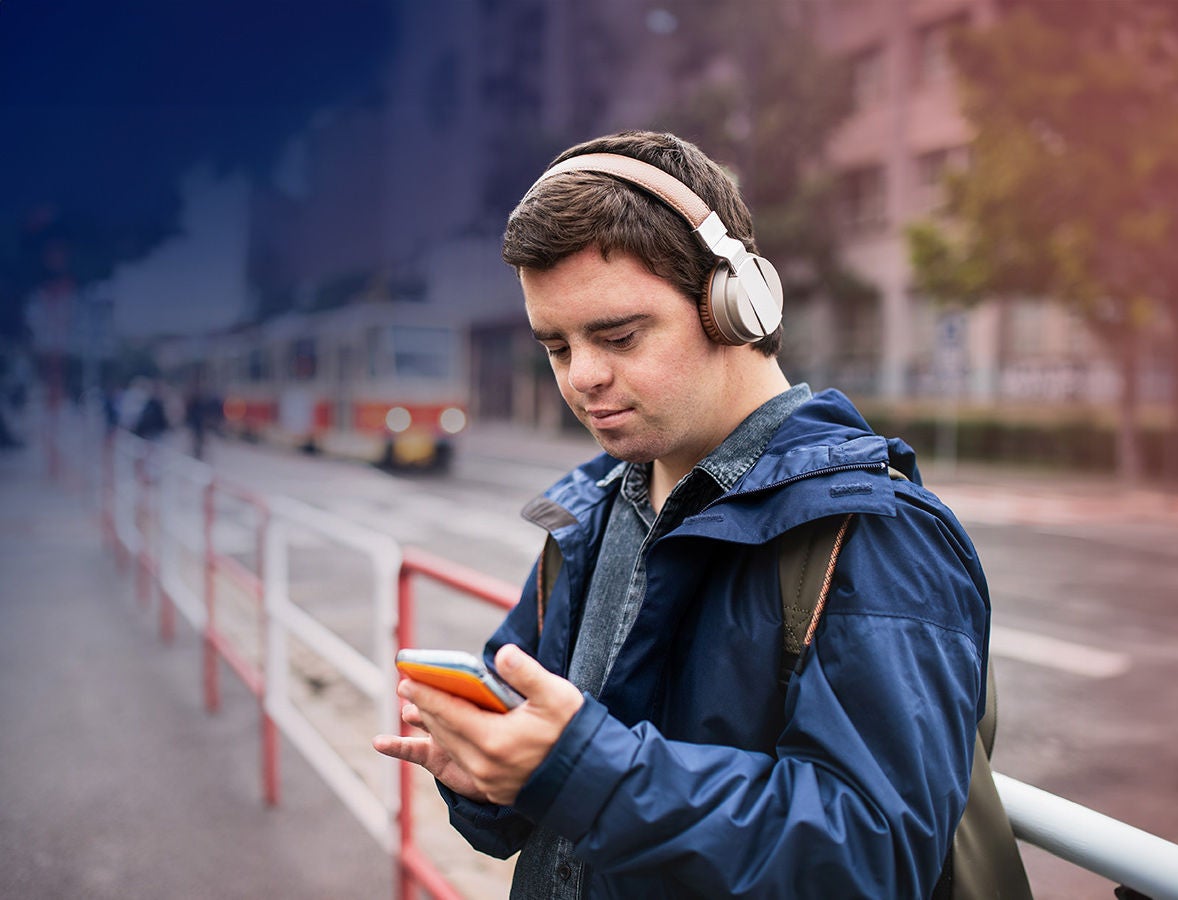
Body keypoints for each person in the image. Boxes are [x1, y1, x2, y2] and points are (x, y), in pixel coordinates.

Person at [373, 131, 991, 898]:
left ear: (733, 302)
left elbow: (876, 856)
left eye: (619, 336)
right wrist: (485, 774)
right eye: (557, 348)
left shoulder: (873, 531)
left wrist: (583, 772)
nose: (585, 379)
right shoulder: (590, 509)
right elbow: (537, 782)